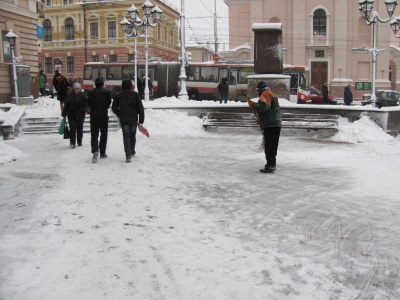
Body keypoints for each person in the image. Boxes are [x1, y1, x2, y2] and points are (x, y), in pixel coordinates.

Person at [247, 82, 282, 173]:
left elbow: (265, 107)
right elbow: (270, 109)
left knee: (269, 145)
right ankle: (272, 164)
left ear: (259, 89)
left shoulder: (265, 94)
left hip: (270, 124)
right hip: (276, 122)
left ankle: (270, 165)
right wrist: (260, 118)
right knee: (273, 145)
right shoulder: (271, 93)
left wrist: (252, 104)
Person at [112, 79, 145, 163]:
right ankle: (132, 150)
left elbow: (114, 108)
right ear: (131, 85)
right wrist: (141, 120)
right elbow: (140, 108)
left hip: (124, 119)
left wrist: (119, 114)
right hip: (133, 119)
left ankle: (128, 154)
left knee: (126, 137)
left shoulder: (118, 95)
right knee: (132, 136)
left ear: (122, 86)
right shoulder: (135, 95)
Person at [87, 77, 112, 163]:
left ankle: (95, 151)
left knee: (94, 135)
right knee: (103, 134)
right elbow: (109, 102)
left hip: (94, 116)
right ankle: (102, 152)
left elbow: (88, 102)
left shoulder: (91, 92)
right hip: (103, 115)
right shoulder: (106, 92)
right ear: (102, 84)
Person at [62, 83, 88, 148]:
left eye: (78, 88)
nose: (76, 90)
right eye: (75, 89)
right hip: (71, 114)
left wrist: (85, 110)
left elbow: (86, 104)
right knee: (72, 128)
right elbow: (66, 105)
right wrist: (64, 113)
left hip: (80, 114)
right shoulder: (70, 96)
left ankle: (79, 142)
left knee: (80, 127)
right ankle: (72, 142)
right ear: (74, 89)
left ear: (80, 89)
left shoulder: (83, 95)